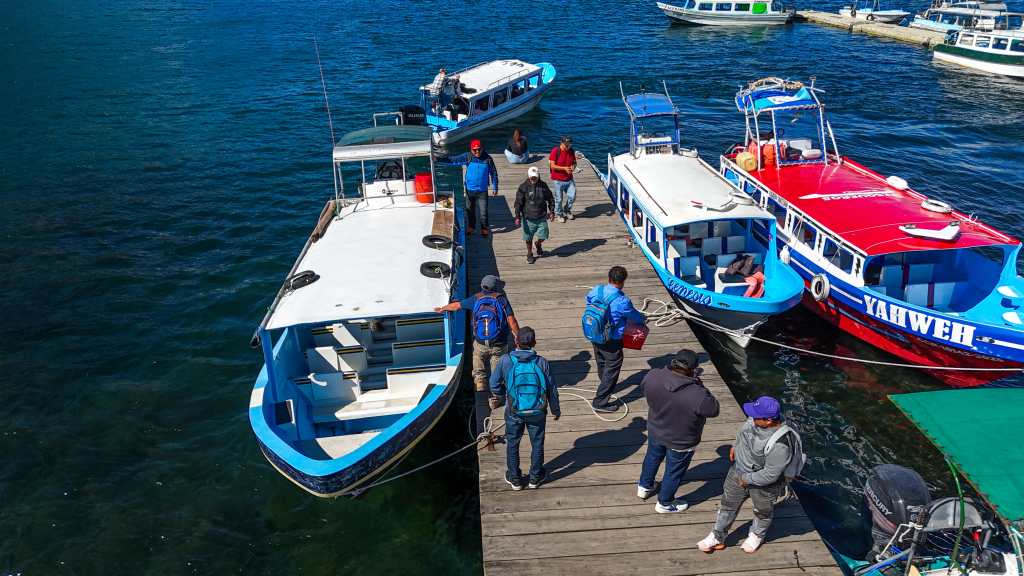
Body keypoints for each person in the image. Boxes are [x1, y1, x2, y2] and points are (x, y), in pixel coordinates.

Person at [697, 396, 803, 555]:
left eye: (756, 416)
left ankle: (756, 535)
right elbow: (743, 432)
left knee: (762, 511)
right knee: (727, 505)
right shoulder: (755, 418)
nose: (751, 417)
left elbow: (770, 474)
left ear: (768, 420)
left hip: (763, 485)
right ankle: (717, 535)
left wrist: (746, 479)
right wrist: (735, 445)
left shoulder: (781, 445)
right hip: (737, 470)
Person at [435, 275, 519, 448]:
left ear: (482, 286)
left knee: (479, 370)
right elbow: (511, 320)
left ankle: (481, 389)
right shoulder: (501, 300)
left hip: (480, 343)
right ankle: (496, 398)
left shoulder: (476, 299)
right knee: (497, 373)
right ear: (496, 287)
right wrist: (517, 337)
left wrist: (443, 308)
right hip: (499, 344)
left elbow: (457, 305)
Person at [637, 349, 720, 513]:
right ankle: (665, 503)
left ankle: (644, 487)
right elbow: (713, 409)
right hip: (681, 440)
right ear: (693, 369)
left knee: (652, 457)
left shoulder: (653, 375)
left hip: (655, 430)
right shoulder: (698, 394)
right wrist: (700, 385)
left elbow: (643, 389)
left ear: (673, 362)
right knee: (673, 471)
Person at [488, 326, 561, 490]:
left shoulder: (506, 360)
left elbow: (493, 383)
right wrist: (555, 410)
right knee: (537, 443)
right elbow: (551, 389)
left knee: (513, 443)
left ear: (516, 341)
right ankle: (535, 478)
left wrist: (502, 395)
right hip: (538, 410)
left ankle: (515, 479)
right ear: (534, 343)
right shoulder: (542, 362)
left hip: (514, 410)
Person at [584, 266, 646, 412]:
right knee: (612, 368)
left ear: (609, 278)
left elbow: (588, 301)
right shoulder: (622, 301)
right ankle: (600, 402)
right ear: (623, 281)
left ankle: (604, 383)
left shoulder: (596, 290)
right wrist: (643, 319)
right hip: (611, 340)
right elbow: (636, 317)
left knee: (601, 360)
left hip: (594, 332)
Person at [449, 139, 499, 236]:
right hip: (469, 190)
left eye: (479, 149)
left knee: (483, 212)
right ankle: (471, 227)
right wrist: (437, 159)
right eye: (474, 150)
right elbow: (453, 160)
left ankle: (484, 228)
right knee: (470, 210)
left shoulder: (488, 159)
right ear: (471, 150)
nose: (477, 152)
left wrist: (495, 187)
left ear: (482, 148)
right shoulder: (468, 157)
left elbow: (494, 173)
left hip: (482, 191)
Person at [514, 167, 555, 264]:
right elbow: (518, 203)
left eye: (535, 177)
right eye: (532, 177)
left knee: (544, 235)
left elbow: (550, 199)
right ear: (528, 176)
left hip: (541, 217)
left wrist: (552, 211)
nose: (534, 179)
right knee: (528, 238)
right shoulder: (523, 187)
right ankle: (529, 254)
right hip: (528, 218)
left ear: (538, 176)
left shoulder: (543, 186)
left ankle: (538, 243)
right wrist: (517, 216)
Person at [548, 136, 578, 222]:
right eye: (566, 144)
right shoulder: (555, 151)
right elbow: (552, 166)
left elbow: (574, 162)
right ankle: (559, 214)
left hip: (569, 179)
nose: (568, 146)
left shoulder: (571, 151)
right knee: (559, 199)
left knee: (572, 196)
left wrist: (573, 167)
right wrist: (564, 168)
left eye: (569, 144)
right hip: (558, 180)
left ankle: (567, 210)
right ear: (561, 143)